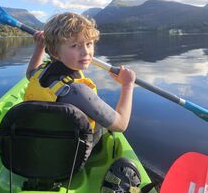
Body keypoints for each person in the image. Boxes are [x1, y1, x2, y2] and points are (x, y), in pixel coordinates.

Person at [24, 12, 136, 144]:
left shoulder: (41, 72)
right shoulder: (78, 91)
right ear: (55, 52)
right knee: (103, 125)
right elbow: (121, 125)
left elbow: (30, 73)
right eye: (75, 46)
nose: (86, 52)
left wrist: (39, 48)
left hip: (38, 144)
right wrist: (127, 85)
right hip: (70, 155)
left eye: (89, 44)